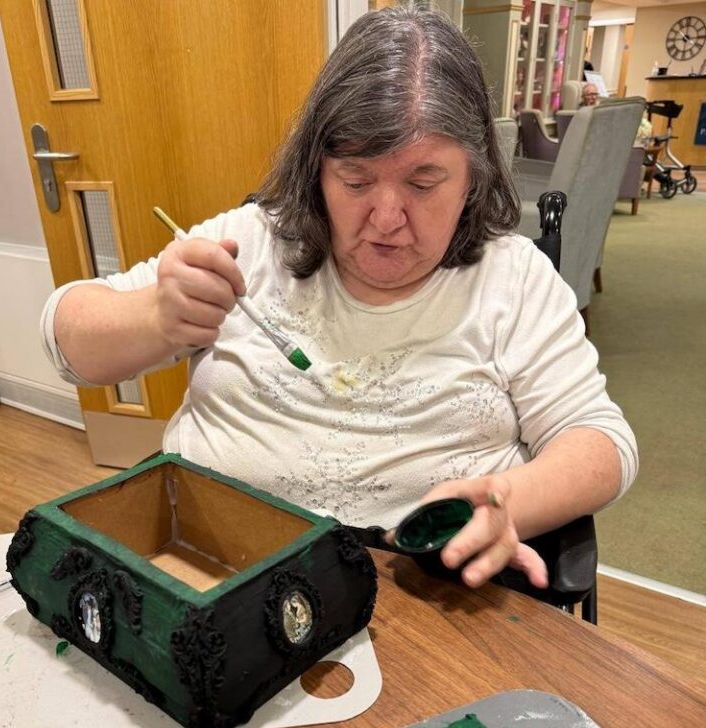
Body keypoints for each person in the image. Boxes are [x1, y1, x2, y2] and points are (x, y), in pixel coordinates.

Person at [42, 5, 637, 593]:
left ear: (474, 178)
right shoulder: (250, 242)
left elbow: (601, 441)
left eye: (423, 183)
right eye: (355, 180)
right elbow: (65, 342)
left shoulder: (513, 279)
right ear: (317, 173)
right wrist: (155, 316)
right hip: (213, 571)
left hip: (421, 593)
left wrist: (513, 502)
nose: (386, 218)